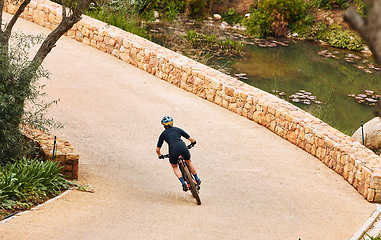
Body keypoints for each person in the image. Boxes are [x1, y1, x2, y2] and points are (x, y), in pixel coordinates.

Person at [156, 116, 201, 191]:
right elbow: (191, 139)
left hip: (173, 151)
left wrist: (160, 155)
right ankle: (197, 178)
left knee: (174, 166)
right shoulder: (178, 129)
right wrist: (193, 142)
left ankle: (183, 184)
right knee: (189, 161)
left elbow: (157, 149)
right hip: (183, 147)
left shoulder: (163, 134)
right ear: (172, 123)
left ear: (164, 125)